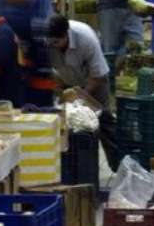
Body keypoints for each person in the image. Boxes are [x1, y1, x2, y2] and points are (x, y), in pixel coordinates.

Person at [46, 13, 119, 170]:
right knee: (70, 125)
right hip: (66, 79)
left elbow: (99, 75)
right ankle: (74, 167)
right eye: (50, 42)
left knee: (104, 122)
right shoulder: (47, 41)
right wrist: (58, 89)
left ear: (66, 35)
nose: (54, 45)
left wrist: (81, 97)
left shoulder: (86, 39)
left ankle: (117, 167)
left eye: (57, 42)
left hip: (94, 82)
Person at [0, 0, 54, 106]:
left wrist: (28, 55)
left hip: (40, 54)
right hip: (12, 52)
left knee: (41, 101)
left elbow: (45, 26)